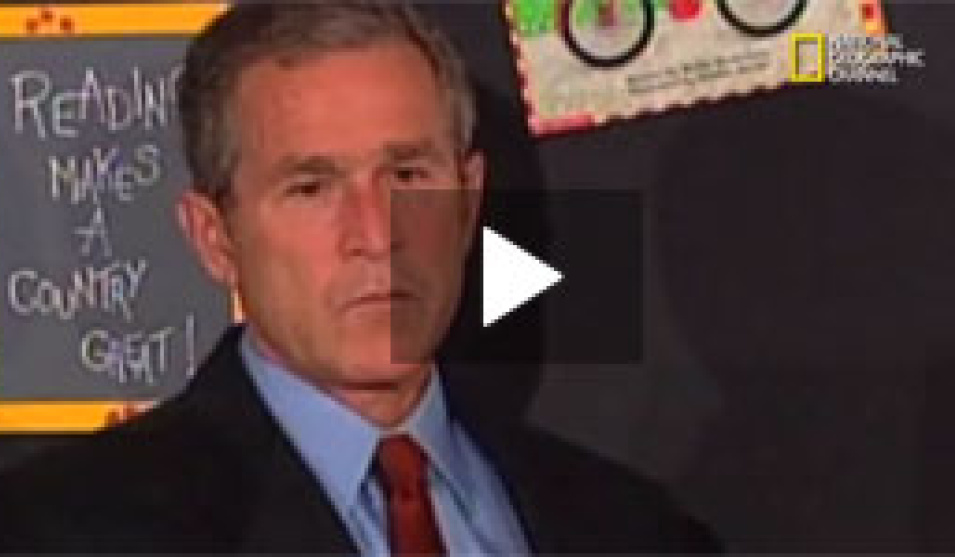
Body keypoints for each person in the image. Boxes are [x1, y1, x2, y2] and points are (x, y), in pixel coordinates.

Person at [0, 2, 719, 553]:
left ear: (468, 200)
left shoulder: (632, 529)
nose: (377, 236)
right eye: (312, 188)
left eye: (408, 175)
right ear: (215, 237)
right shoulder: (65, 532)